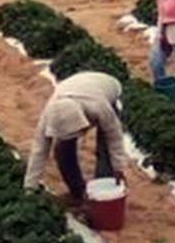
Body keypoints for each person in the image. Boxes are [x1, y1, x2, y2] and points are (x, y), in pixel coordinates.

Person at [23, 71, 129, 201]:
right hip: (77, 86)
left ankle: (104, 191)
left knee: (105, 148)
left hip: (107, 86)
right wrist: (30, 187)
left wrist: (118, 167)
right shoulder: (49, 115)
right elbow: (39, 150)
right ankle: (78, 192)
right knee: (63, 151)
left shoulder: (98, 107)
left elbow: (114, 136)